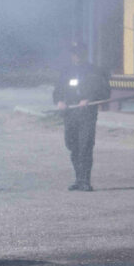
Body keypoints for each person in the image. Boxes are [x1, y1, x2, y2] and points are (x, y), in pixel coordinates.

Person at [53, 41, 110, 191]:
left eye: (79, 53)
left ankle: (85, 181)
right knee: (72, 146)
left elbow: (105, 92)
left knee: (85, 146)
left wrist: (90, 99)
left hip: (87, 114)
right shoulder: (66, 72)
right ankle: (78, 179)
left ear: (85, 53)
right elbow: (57, 91)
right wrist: (59, 101)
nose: (77, 56)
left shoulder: (95, 71)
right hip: (70, 113)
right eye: (74, 53)